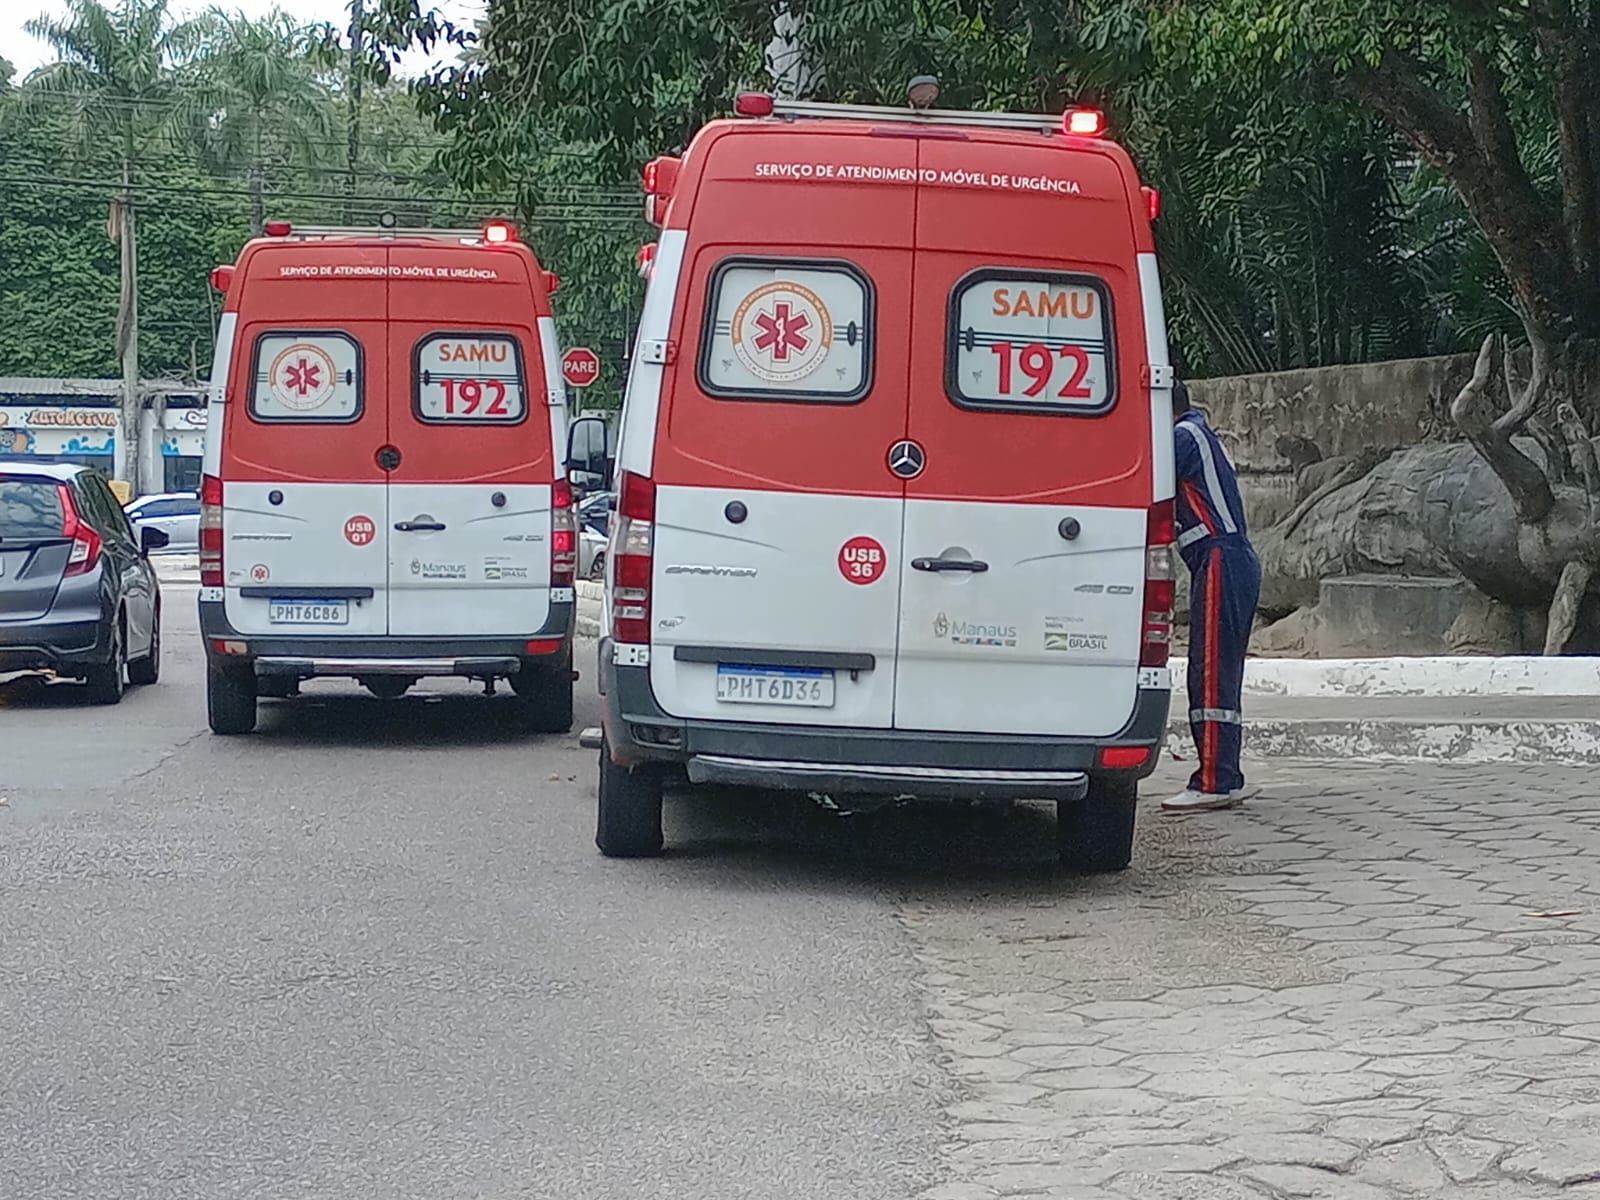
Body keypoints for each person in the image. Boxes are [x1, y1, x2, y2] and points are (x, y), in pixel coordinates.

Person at [1165, 380, 1262, 811]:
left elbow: (1143, 477)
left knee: (1208, 672)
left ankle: (1213, 781)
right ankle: (1226, 773)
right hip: (1229, 558)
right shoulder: (1201, 434)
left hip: (1219, 557)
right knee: (1220, 671)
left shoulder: (1181, 437)